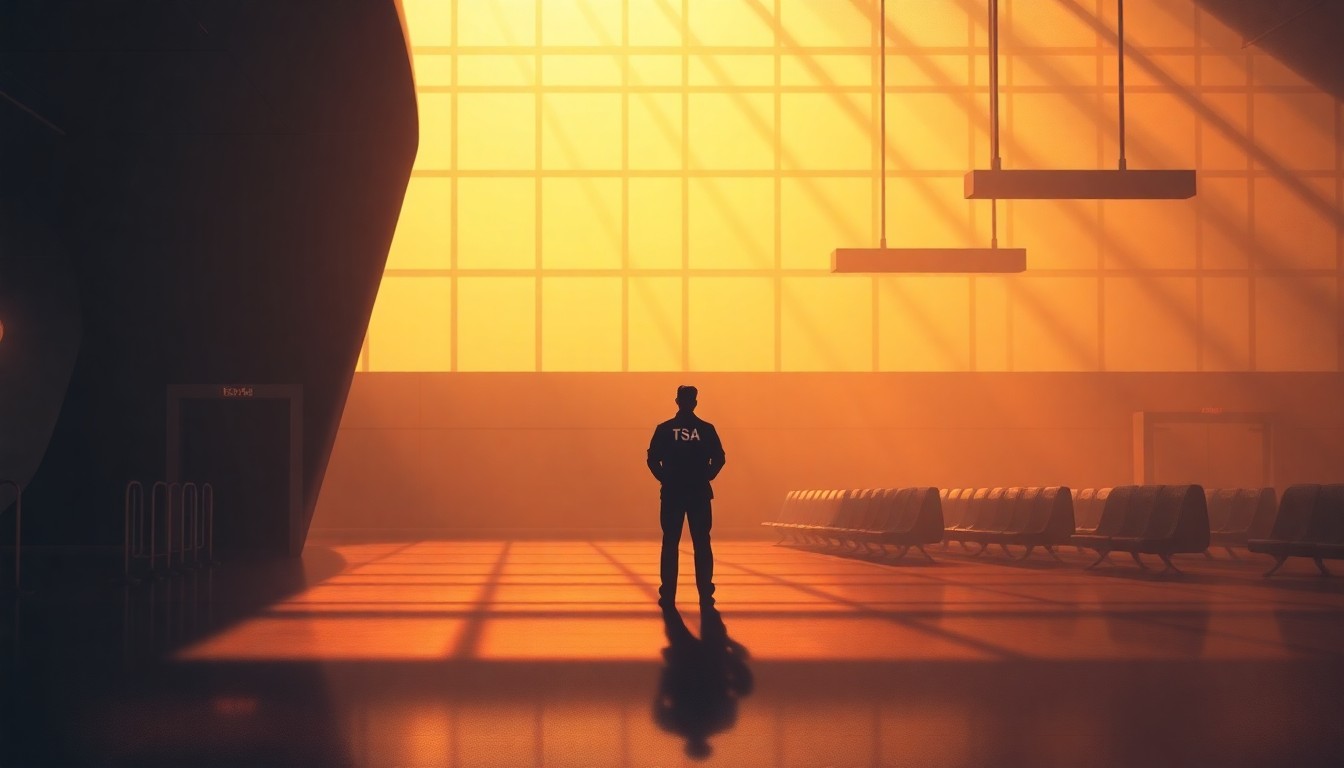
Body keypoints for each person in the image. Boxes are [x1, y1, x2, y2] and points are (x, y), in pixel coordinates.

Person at [646, 385, 725, 608]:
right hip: (699, 492)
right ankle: (705, 592)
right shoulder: (706, 429)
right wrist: (706, 476)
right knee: (702, 542)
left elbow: (652, 459)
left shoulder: (664, 429)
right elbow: (719, 458)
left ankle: (668, 593)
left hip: (672, 493)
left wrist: (665, 479)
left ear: (677, 401)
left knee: (670, 543)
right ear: (695, 402)